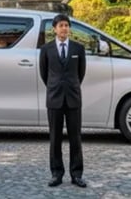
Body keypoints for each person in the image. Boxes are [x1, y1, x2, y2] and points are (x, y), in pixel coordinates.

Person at [39, 13, 87, 189]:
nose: (64, 28)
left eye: (67, 25)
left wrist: (71, 86)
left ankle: (77, 174)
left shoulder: (78, 49)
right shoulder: (46, 49)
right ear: (54, 29)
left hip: (73, 98)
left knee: (76, 139)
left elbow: (81, 73)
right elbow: (44, 74)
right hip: (54, 99)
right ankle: (56, 174)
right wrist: (55, 87)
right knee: (55, 138)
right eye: (61, 25)